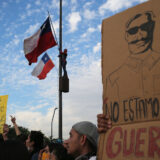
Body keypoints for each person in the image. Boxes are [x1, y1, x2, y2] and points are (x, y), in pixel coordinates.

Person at [106, 11, 160, 100]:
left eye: (145, 27)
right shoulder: (114, 79)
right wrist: (107, 114)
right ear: (126, 36)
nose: (140, 36)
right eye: (133, 31)